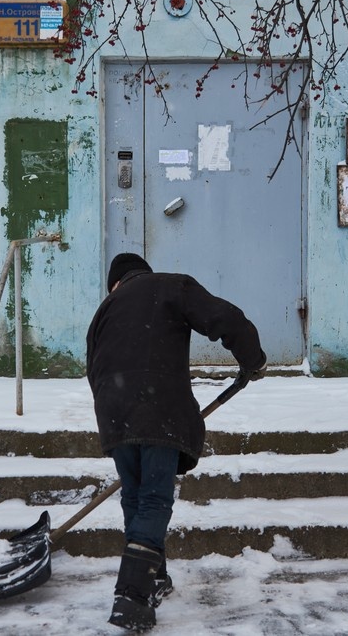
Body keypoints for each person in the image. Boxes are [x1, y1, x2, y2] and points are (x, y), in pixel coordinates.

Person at [86, 252, 266, 631]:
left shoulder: (104, 310)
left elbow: (93, 368)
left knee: (136, 498)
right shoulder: (170, 285)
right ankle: (131, 595)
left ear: (115, 283)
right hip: (160, 408)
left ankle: (152, 577)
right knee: (153, 498)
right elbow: (225, 318)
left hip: (113, 411)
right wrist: (253, 359)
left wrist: (117, 417)